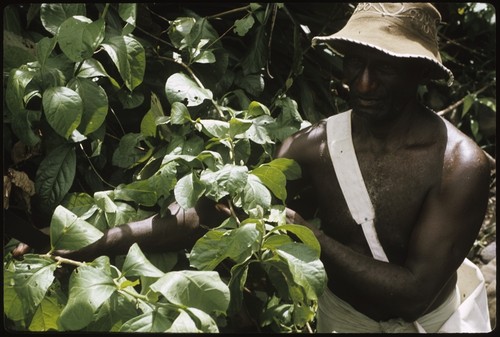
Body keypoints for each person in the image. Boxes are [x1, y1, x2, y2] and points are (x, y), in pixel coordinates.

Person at [10, 2, 492, 333]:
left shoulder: (459, 166)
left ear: (420, 73)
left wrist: (310, 237)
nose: (362, 84)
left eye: (383, 68)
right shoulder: (318, 146)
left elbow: (412, 294)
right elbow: (225, 214)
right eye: (353, 63)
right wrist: (98, 240)